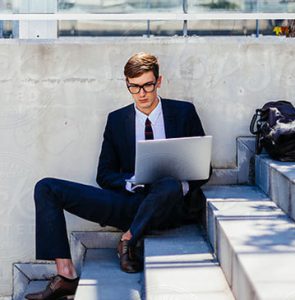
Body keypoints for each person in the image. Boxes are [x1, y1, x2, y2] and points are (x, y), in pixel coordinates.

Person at [25, 52, 211, 300]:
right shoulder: (116, 120)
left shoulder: (184, 113)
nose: (141, 93)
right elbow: (104, 175)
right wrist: (132, 180)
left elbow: (203, 169)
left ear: (159, 81)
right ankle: (66, 275)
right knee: (46, 187)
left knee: (167, 184)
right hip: (129, 202)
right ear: (127, 84)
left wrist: (178, 186)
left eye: (147, 85)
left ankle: (128, 239)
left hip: (170, 205)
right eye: (134, 87)